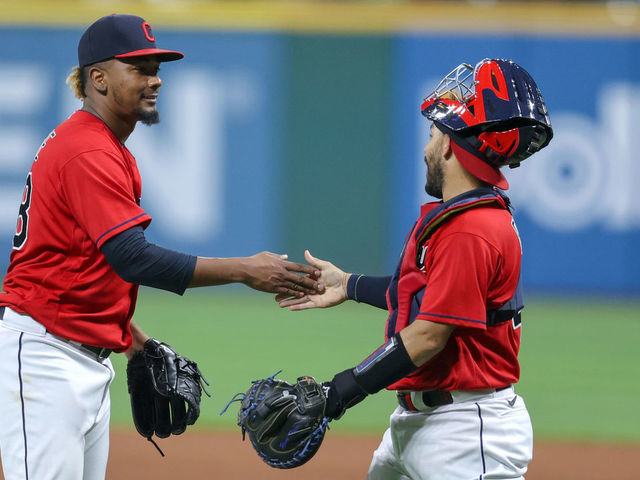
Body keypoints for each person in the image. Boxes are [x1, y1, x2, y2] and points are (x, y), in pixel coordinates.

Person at [0, 14, 323, 480]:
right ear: (98, 79)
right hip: (45, 363)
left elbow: (80, 266)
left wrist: (134, 341)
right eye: (139, 68)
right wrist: (243, 270)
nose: (154, 80)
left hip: (71, 356)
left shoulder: (104, 146)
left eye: (157, 68)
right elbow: (131, 256)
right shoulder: (88, 151)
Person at [278, 58, 553, 479]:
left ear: (449, 145)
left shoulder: (471, 229)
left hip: (464, 434)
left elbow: (427, 336)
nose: (426, 149)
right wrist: (348, 284)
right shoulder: (471, 217)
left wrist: (339, 393)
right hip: (423, 424)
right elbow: (427, 295)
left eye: (431, 134)